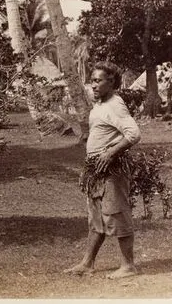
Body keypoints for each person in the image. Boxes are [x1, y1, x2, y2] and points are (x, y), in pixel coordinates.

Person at [65, 61, 141, 279]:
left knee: (117, 215)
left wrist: (110, 153)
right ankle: (87, 263)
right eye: (92, 81)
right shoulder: (100, 105)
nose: (93, 85)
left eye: (98, 81)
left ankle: (128, 266)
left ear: (112, 82)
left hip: (112, 171)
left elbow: (134, 134)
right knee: (96, 217)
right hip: (96, 170)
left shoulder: (115, 104)